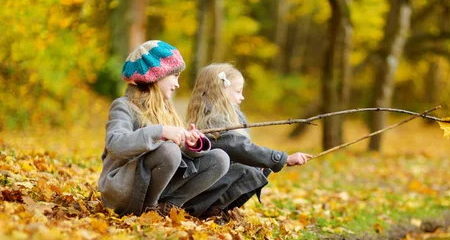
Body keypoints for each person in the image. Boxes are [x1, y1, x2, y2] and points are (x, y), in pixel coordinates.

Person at [98, 40, 230, 217]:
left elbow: (174, 157)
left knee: (220, 158)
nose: (178, 84)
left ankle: (167, 206)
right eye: (175, 76)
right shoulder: (123, 106)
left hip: (153, 185)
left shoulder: (166, 109)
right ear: (156, 75)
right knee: (169, 151)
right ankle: (149, 208)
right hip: (124, 189)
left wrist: (189, 144)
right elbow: (115, 144)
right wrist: (160, 132)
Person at [184, 62, 312, 219]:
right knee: (247, 170)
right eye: (238, 91)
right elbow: (239, 147)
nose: (242, 97)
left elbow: (242, 149)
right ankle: (209, 211)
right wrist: (283, 158)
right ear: (221, 92)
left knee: (257, 168)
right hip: (199, 188)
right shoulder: (214, 121)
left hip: (208, 183)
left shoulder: (226, 117)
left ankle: (221, 210)